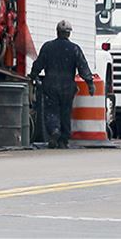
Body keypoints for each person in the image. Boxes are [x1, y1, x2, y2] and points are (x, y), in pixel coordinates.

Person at [29, 19, 95, 148]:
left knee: (51, 111)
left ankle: (54, 131)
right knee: (65, 112)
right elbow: (83, 67)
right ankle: (63, 140)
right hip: (67, 86)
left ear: (57, 32)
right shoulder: (74, 49)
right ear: (69, 33)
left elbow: (38, 64)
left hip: (50, 85)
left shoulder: (48, 47)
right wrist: (90, 83)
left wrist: (33, 75)